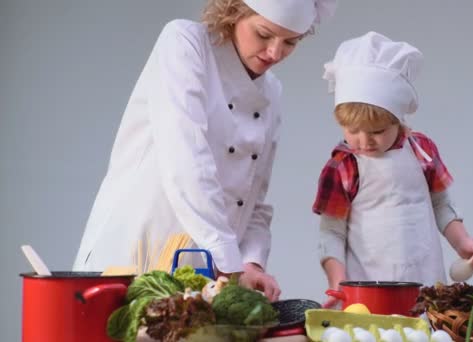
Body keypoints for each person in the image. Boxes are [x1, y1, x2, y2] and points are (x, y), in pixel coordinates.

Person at [73, 0, 336, 301]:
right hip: (137, 249)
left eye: (290, 42)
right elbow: (187, 162)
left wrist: (250, 261)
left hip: (207, 271)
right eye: (264, 34)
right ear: (233, 11)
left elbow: (253, 197)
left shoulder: (272, 91)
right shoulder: (185, 43)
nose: (275, 52)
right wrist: (229, 263)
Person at [313, 31, 473, 307]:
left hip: (425, 280)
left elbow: (441, 205)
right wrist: (337, 281)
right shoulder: (342, 165)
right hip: (367, 289)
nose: (364, 140)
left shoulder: (422, 150)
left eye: (378, 131)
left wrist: (463, 242)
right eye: (352, 130)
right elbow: (331, 233)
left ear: (398, 118)